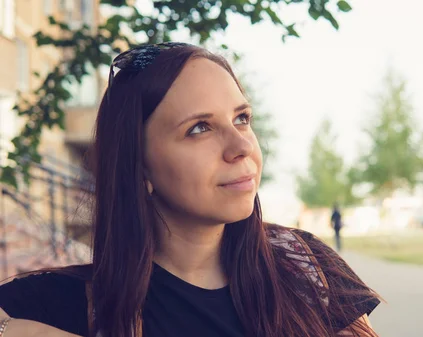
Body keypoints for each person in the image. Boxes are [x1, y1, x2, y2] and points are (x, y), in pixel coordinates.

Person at [0, 43, 380, 337]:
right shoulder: (71, 304)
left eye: (241, 118)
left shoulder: (307, 269)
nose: (242, 146)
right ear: (140, 165)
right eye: (200, 127)